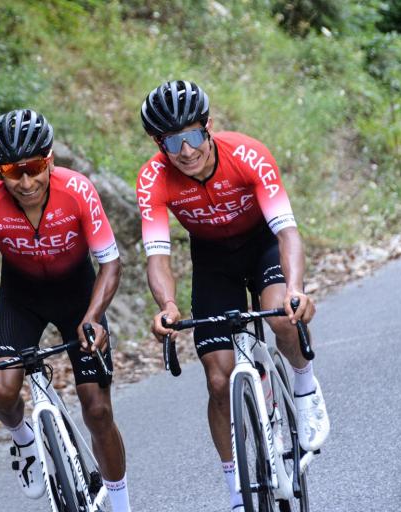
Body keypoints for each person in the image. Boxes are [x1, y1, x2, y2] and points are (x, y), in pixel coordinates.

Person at [136, 80, 330, 511]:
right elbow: (158, 256)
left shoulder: (247, 154)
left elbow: (286, 230)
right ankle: (237, 491)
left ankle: (304, 388)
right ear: (158, 143)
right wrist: (168, 306)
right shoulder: (153, 178)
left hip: (261, 246)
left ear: (207, 126)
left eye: (192, 135)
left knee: (281, 316)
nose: (185, 151)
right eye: (171, 142)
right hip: (212, 261)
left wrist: (295, 288)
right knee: (218, 378)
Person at [0, 109, 131, 511]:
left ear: (49, 159)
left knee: (97, 409)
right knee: (2, 391)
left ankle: (122, 504)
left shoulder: (77, 190)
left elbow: (110, 263)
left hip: (80, 298)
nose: (26, 182)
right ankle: (24, 440)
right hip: (21, 300)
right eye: (12, 172)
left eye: (34, 168)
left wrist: (93, 317)